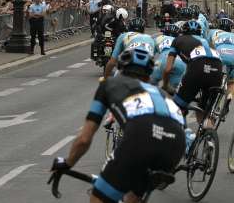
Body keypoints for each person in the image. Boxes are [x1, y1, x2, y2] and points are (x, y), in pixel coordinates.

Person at [50, 45, 185, 203]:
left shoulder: (109, 85)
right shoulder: (163, 94)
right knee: (133, 195)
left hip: (140, 141)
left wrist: (67, 163)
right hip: (175, 147)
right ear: (149, 77)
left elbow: (84, 140)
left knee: (99, 197)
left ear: (120, 70)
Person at [167, 20, 223, 123]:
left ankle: (183, 135)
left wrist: (166, 84)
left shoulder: (178, 40)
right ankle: (207, 135)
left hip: (198, 67)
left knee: (178, 105)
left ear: (183, 31)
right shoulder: (207, 41)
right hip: (217, 68)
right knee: (205, 108)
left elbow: (168, 69)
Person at [209, 18, 234, 99]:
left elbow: (206, 46)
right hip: (233, 56)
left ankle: (211, 97)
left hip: (219, 54)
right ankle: (229, 97)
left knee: (212, 77)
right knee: (230, 83)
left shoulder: (213, 32)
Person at [150, 29, 186, 95]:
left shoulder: (159, 37)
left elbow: (151, 55)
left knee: (150, 87)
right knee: (172, 92)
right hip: (181, 63)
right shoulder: (181, 40)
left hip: (164, 60)